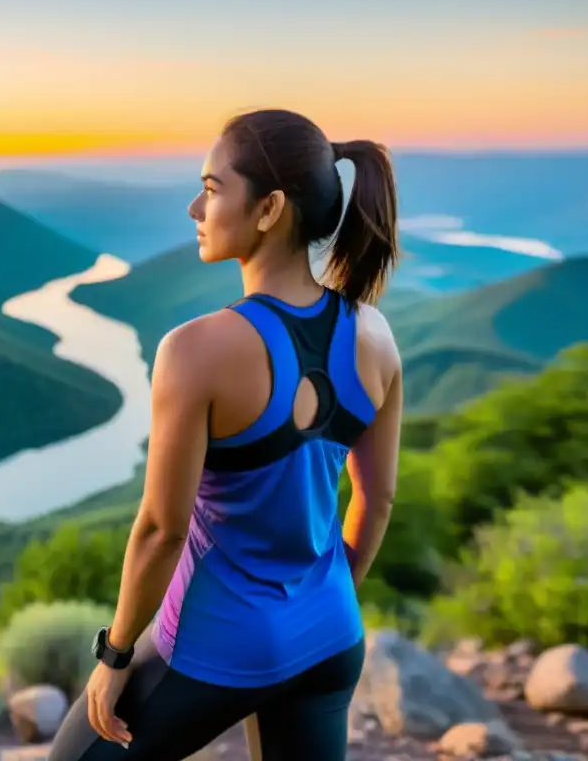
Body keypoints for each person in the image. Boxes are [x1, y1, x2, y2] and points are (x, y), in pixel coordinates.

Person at [47, 108, 403, 761]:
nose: (194, 207)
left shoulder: (196, 350)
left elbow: (162, 528)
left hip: (214, 645)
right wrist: (319, 607)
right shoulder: (376, 337)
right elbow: (374, 503)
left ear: (268, 209)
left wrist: (115, 653)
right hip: (330, 638)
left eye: (212, 189)